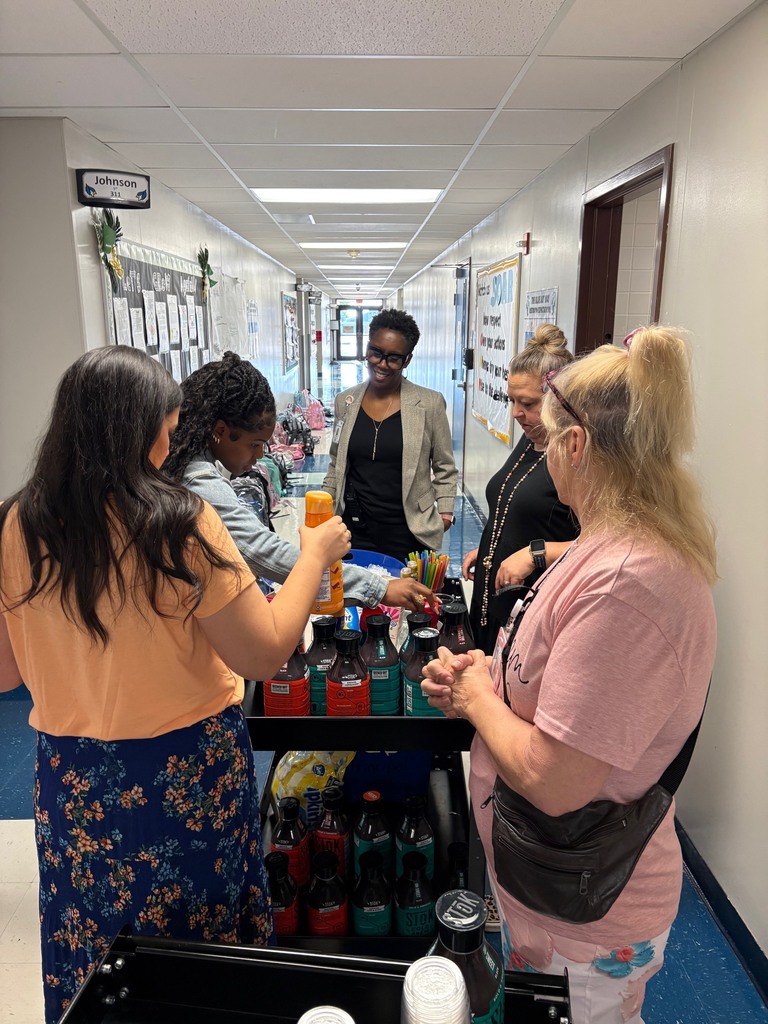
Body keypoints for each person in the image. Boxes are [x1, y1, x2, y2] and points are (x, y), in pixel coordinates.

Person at [0, 346, 350, 1024]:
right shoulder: (180, 523)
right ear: (136, 430)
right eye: (167, 424)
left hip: (75, 783)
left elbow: (5, 673)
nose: (171, 438)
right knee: (200, 955)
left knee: (98, 949)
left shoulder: (19, 523)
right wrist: (313, 559)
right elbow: (263, 653)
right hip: (183, 776)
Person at [422, 328, 717, 1024]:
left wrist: (472, 699)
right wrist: (489, 672)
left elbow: (558, 779)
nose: (541, 451)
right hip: (547, 887)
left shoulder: (628, 587)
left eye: (548, 439)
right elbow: (556, 681)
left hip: (584, 915)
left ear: (576, 446)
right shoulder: (602, 547)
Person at [163, 350, 433, 612]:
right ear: (220, 431)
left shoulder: (183, 462)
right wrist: (377, 587)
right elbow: (260, 550)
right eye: (255, 444)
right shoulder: (199, 482)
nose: (259, 456)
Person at [462, 324, 578, 653]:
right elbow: (517, 507)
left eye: (527, 403)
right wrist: (489, 549)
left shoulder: (575, 457)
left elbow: (604, 545)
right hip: (493, 603)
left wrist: (534, 554)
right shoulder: (533, 440)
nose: (516, 413)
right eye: (511, 400)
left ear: (560, 399)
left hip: (534, 611)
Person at [322, 308, 458, 562]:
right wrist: (324, 512)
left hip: (408, 530)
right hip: (353, 527)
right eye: (375, 353)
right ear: (367, 349)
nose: (382, 364)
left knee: (405, 600)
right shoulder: (345, 402)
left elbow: (444, 465)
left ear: (407, 360)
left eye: (393, 358)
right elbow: (336, 464)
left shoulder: (429, 404)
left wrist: (445, 513)